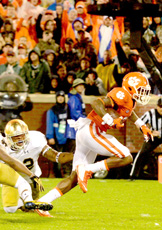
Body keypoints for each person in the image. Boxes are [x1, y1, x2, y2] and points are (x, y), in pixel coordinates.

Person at [37, 72, 153, 207]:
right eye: (141, 90)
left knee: (74, 178)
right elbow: (96, 103)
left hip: (87, 132)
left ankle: (42, 202)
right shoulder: (122, 94)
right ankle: (87, 169)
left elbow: (128, 111)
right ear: (131, 87)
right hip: (92, 130)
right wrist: (109, 119)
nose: (143, 94)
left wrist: (141, 125)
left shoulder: (129, 100)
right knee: (126, 156)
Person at [0, 119, 73, 217]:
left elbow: (55, 156)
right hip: (12, 179)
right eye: (15, 137)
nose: (20, 140)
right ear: (8, 138)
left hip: (31, 179)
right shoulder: (2, 147)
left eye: (22, 135)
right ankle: (30, 203)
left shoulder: (36, 140)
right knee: (10, 209)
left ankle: (31, 203)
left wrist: (76, 156)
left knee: (28, 209)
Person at [130, 97, 162, 179]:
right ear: (157, 106)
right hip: (153, 136)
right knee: (142, 153)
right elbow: (139, 124)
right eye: (160, 106)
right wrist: (149, 132)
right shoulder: (150, 114)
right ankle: (133, 175)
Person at [46, 91, 70, 178]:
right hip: (56, 138)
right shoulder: (52, 111)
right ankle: (58, 176)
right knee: (57, 159)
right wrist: (50, 137)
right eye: (58, 97)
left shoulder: (68, 109)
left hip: (67, 138)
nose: (60, 98)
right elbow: (49, 124)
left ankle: (67, 175)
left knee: (68, 158)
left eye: (62, 97)